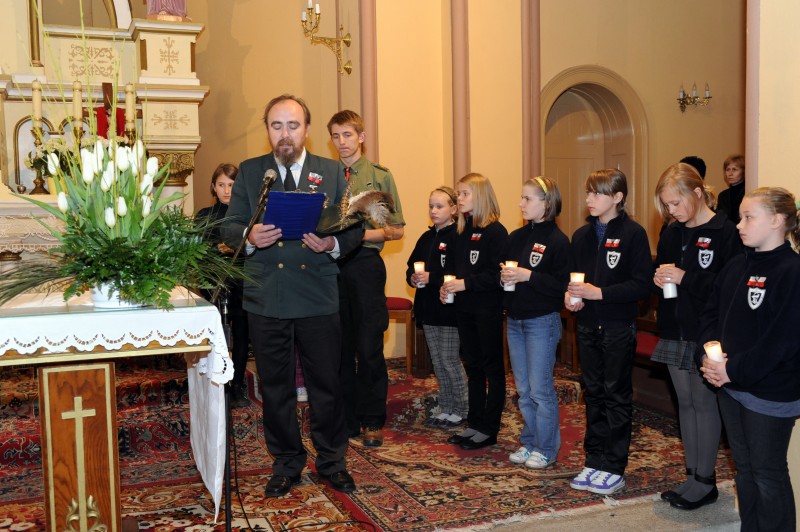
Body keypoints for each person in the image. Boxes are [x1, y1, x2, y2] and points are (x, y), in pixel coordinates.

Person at [221, 94, 363, 498]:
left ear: (307, 130)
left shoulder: (332, 172)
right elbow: (228, 225)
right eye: (277, 125)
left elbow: (352, 229)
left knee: (326, 384)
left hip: (317, 294)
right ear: (267, 129)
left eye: (293, 125)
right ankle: (286, 462)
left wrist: (331, 246)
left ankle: (332, 462)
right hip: (268, 295)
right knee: (276, 386)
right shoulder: (251, 172)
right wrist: (248, 236)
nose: (285, 134)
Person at [699, 187, 800, 531]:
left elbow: (782, 341)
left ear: (777, 220)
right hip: (731, 386)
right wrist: (710, 353)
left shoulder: (792, 271)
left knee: (767, 472)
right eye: (740, 216)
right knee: (744, 468)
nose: (739, 224)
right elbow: (712, 313)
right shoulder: (737, 264)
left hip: (770, 391)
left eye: (748, 217)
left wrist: (732, 370)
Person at [651, 163, 741, 510]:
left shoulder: (725, 231)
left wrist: (686, 276)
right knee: (684, 403)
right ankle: (691, 476)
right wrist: (658, 278)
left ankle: (706, 481)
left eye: (676, 203)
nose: (671, 211)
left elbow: (727, 287)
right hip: (676, 325)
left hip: (708, 332)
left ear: (698, 194)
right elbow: (662, 273)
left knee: (704, 403)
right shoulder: (673, 231)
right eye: (667, 205)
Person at [565, 168, 652, 495]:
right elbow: (572, 278)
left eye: (597, 193)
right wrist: (570, 295)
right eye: (588, 192)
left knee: (616, 394)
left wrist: (599, 293)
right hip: (587, 325)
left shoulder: (633, 234)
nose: (589, 199)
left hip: (617, 326)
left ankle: (614, 465)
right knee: (594, 392)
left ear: (617, 197)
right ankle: (594, 458)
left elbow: (642, 284)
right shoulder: (581, 236)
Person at [327, 110, 405, 448]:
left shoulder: (379, 177)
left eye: (347, 135)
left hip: (364, 266)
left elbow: (396, 230)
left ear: (361, 136)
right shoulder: (325, 175)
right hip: (330, 267)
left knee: (369, 345)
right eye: (335, 136)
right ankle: (346, 420)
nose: (342, 142)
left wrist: (359, 237)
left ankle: (373, 419)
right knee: (339, 347)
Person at [501, 176, 569, 469]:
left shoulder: (558, 241)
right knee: (524, 389)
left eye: (528, 199)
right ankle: (530, 442)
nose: (521, 204)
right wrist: (503, 276)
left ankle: (546, 447)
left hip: (542, 321)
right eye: (522, 198)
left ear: (547, 203)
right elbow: (504, 273)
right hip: (515, 320)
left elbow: (561, 285)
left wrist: (529, 276)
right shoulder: (515, 237)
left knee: (541, 390)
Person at [440, 173, 508, 450]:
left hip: (488, 309)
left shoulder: (496, 232)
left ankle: (489, 428)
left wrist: (464, 283)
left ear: (480, 195)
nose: (459, 199)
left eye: (465, 193)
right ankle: (475, 423)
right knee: (473, 367)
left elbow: (496, 274)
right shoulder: (462, 231)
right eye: (458, 194)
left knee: (492, 368)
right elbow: (457, 270)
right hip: (465, 309)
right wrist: (448, 286)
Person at [406, 186, 467, 429]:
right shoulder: (426, 237)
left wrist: (433, 277)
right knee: (438, 361)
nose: (433, 210)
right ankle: (447, 406)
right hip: (428, 308)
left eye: (439, 206)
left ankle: (462, 408)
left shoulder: (458, 236)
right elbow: (411, 266)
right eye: (431, 206)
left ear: (453, 209)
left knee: (450, 359)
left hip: (449, 309)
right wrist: (412, 277)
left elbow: (460, 272)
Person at [196, 163, 251, 408]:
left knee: (241, 334)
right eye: (221, 185)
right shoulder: (204, 216)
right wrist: (219, 248)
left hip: (242, 281)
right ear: (213, 187)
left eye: (232, 185)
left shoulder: (247, 216)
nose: (227, 190)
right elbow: (198, 249)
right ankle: (214, 381)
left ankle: (236, 384)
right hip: (214, 283)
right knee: (216, 335)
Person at [715, 154, 745, 225]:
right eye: (727, 169)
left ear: (743, 172)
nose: (730, 174)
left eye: (734, 169)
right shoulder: (722, 196)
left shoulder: (747, 193)